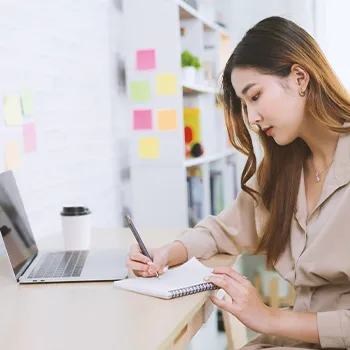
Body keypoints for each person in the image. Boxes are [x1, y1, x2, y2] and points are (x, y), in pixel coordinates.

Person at [126, 15, 350, 350]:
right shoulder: (285, 171)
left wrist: (269, 317)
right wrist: (165, 254)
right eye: (244, 105)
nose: (253, 119)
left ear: (300, 78)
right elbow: (222, 231)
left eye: (255, 96)